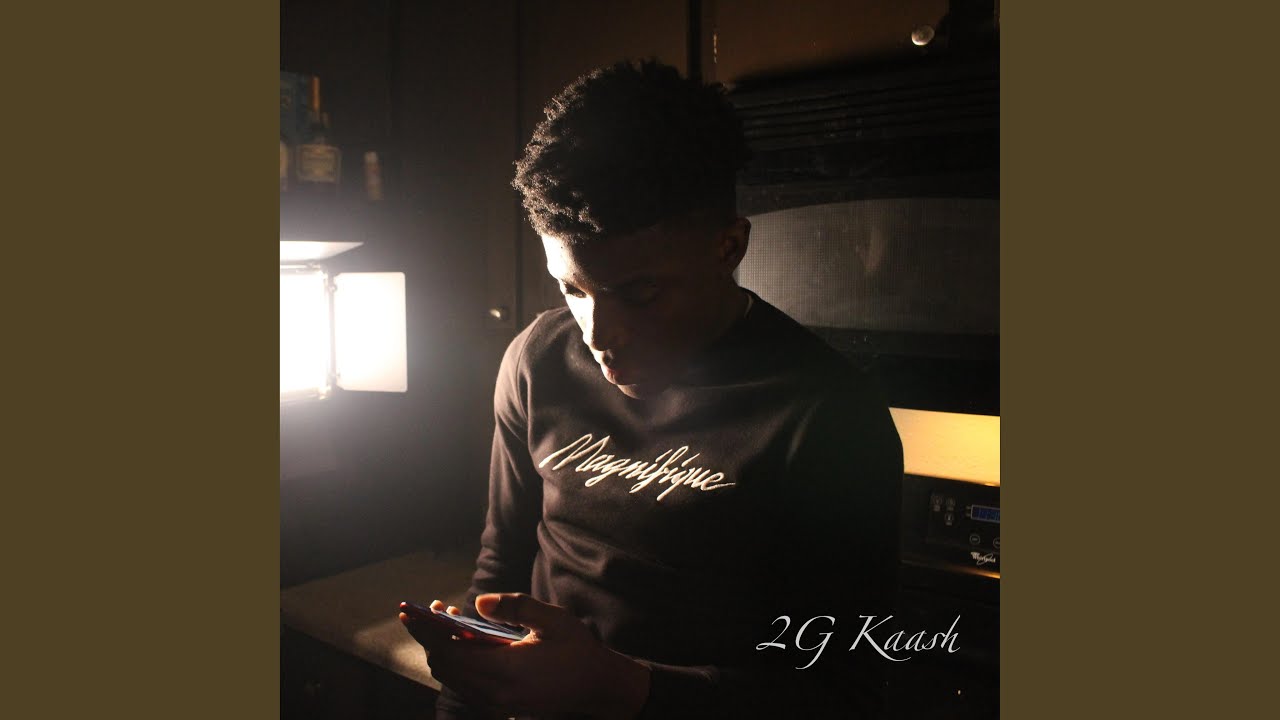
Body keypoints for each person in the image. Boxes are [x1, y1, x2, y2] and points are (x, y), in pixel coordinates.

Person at [402, 59, 903, 719]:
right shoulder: (537, 359)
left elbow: (845, 694)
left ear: (727, 247)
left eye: (639, 294)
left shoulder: (829, 416)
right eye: (572, 288)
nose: (598, 334)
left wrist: (618, 686)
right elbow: (500, 569)